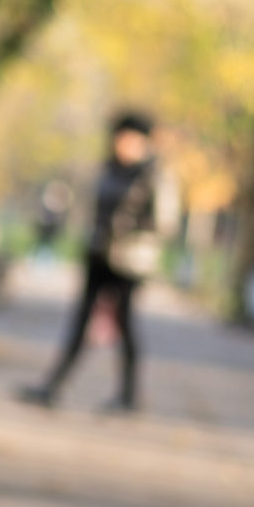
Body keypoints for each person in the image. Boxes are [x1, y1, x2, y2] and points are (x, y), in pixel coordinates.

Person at [20, 113, 162, 412]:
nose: (123, 144)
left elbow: (164, 221)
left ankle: (128, 396)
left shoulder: (153, 175)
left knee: (125, 328)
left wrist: (128, 227)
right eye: (120, 137)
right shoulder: (108, 169)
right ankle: (52, 386)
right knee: (80, 322)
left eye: (130, 138)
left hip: (130, 262)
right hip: (98, 256)